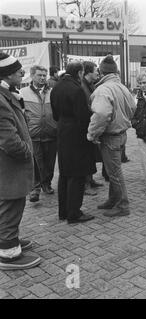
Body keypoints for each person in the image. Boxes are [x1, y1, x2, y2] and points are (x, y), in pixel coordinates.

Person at [0, 53, 41, 270]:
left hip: (11, 167)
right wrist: (27, 151)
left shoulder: (8, 94)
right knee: (11, 205)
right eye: (18, 72)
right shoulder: (1, 100)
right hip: (9, 167)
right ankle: (8, 255)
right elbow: (8, 140)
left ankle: (10, 240)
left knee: (13, 205)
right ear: (6, 75)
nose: (22, 74)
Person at [87, 55, 136, 217]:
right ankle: (113, 199)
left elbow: (101, 113)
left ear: (101, 72)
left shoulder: (103, 89)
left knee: (114, 173)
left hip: (111, 136)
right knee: (114, 170)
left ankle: (123, 205)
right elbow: (132, 107)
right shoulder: (122, 87)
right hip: (121, 134)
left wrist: (92, 134)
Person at [51, 62, 96, 224]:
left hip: (62, 132)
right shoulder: (76, 90)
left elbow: (55, 114)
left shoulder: (56, 87)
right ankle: (74, 213)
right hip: (76, 135)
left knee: (64, 174)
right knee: (77, 175)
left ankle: (63, 211)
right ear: (79, 73)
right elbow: (83, 117)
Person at [20, 65, 57, 202]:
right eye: (39, 75)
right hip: (33, 134)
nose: (42, 78)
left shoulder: (52, 92)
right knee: (36, 162)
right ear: (32, 76)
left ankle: (46, 184)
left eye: (44, 75)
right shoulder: (23, 92)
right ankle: (35, 188)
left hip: (51, 132)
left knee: (50, 161)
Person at [80, 61, 103, 196]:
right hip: (86, 125)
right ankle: (86, 184)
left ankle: (90, 179)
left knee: (91, 154)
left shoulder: (90, 85)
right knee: (86, 156)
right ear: (88, 72)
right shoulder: (83, 87)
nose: (98, 74)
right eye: (96, 71)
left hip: (91, 123)